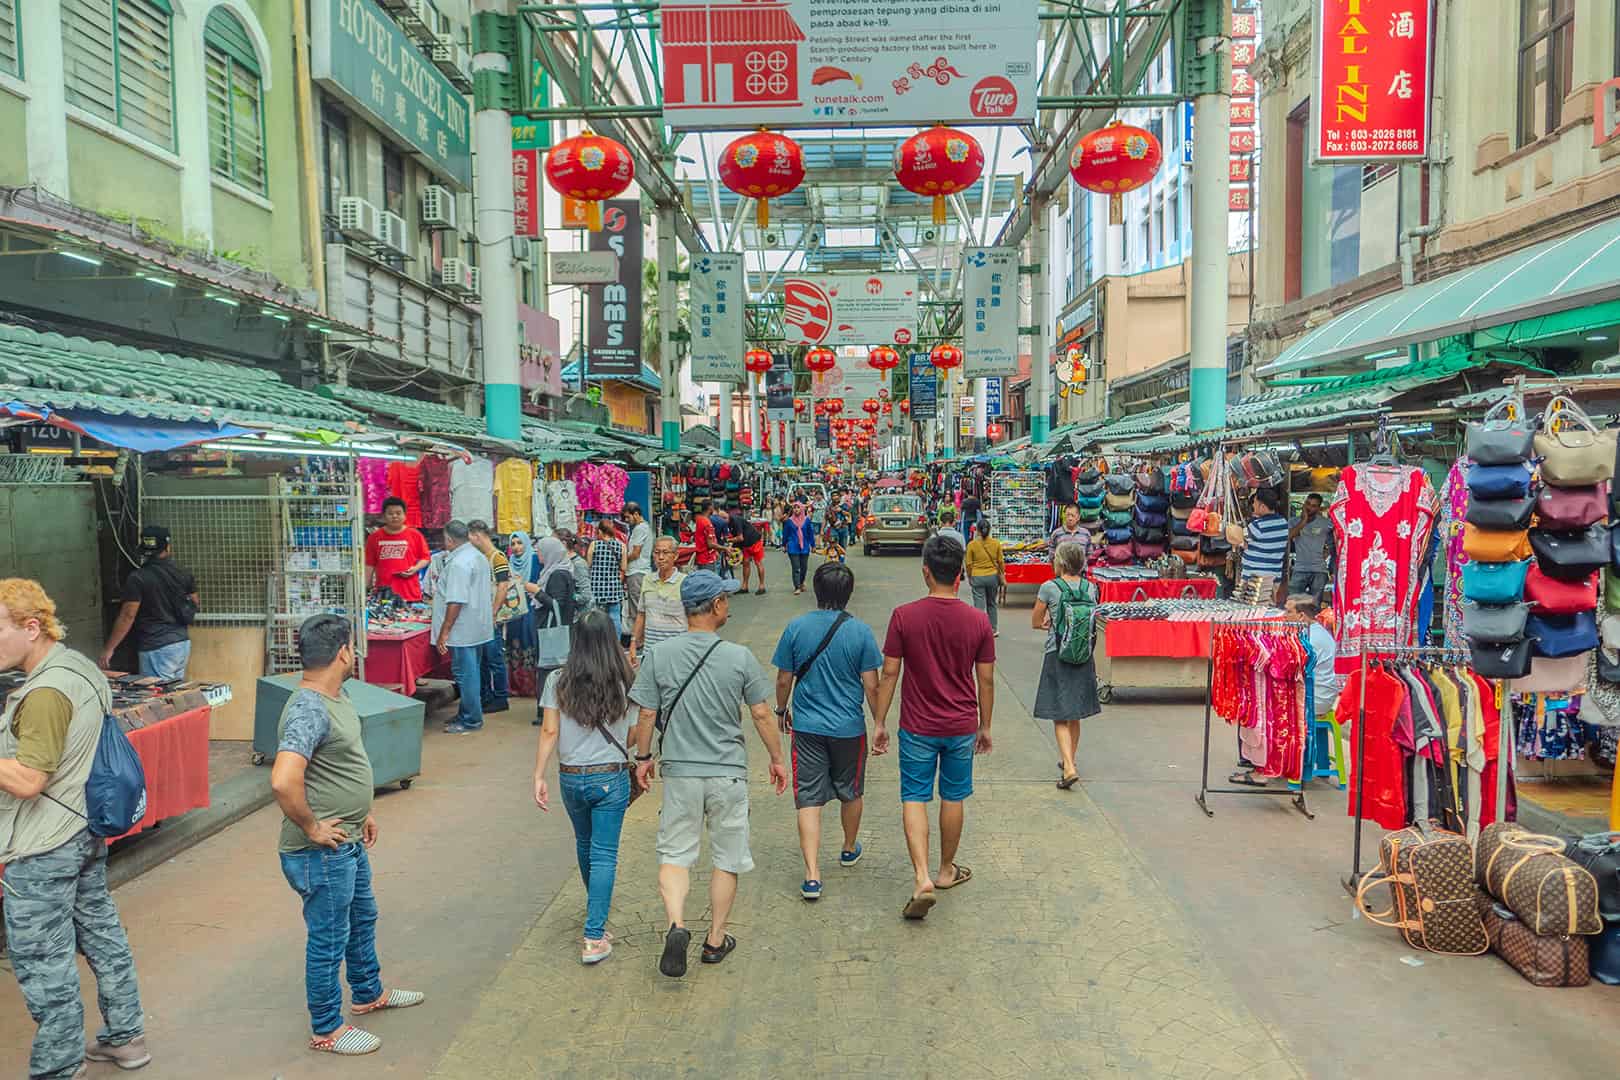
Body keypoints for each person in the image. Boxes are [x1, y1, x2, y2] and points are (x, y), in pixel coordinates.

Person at [0, 579, 150, 1078]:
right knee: (100, 932)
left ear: (30, 627)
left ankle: (58, 1066)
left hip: (45, 844)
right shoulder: (79, 665)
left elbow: (27, 780)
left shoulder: (44, 692)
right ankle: (126, 1037)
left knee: (44, 961)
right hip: (85, 829)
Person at [271, 614, 423, 1056]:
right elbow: (283, 780)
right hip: (321, 852)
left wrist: (364, 810)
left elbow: (343, 762)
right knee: (329, 937)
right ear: (342, 653)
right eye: (352, 648)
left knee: (362, 919)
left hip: (348, 840)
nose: (354, 655)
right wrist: (313, 827)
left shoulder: (336, 697)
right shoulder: (308, 708)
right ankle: (327, 1029)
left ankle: (368, 993)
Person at [628, 570, 788, 978]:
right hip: (727, 774)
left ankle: (677, 924)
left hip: (680, 773)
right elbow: (761, 713)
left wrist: (644, 758)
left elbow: (647, 712)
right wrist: (776, 758)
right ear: (716, 606)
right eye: (726, 600)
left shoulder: (659, 656)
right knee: (727, 857)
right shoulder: (739, 657)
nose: (728, 606)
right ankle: (715, 939)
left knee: (675, 854)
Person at [872, 537, 995, 921]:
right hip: (960, 725)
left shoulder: (904, 616)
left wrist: (879, 721)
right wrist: (985, 725)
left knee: (914, 796)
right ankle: (946, 870)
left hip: (917, 725)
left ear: (926, 571)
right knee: (953, 796)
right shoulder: (978, 620)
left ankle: (921, 876)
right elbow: (986, 680)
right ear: (960, 574)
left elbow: (889, 673)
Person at [771, 562, 882, 901]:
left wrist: (781, 709)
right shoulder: (861, 631)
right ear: (848, 593)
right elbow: (872, 685)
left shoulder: (795, 627)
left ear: (816, 590)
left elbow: (783, 678)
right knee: (851, 790)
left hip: (806, 727)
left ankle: (812, 875)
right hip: (849, 728)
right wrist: (879, 722)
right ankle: (848, 848)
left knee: (808, 797)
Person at [532, 610, 636, 965]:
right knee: (605, 853)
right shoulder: (624, 680)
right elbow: (634, 733)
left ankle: (597, 917)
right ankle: (593, 936)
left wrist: (539, 775)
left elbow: (549, 731)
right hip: (610, 775)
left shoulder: (558, 680)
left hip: (571, 776)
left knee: (584, 844)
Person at [1230, 594, 1342, 788]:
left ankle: (1264, 770)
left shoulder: (1310, 637)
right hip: (1316, 693)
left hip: (1315, 698)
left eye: (1288, 611)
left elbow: (1287, 672)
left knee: (1262, 709)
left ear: (1301, 616)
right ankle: (1263, 762)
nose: (1283, 616)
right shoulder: (1312, 632)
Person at [1030, 542, 1102, 789]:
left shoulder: (1050, 587)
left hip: (1057, 653)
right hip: (1083, 654)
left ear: (1059, 562)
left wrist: (1047, 623)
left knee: (1059, 713)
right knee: (1075, 712)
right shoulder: (1090, 588)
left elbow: (1035, 620)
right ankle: (1070, 758)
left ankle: (1068, 766)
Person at [99, 525, 198, 680]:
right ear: (168, 547)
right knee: (174, 696)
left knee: (156, 696)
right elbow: (194, 603)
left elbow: (127, 615)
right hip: (181, 644)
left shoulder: (138, 578)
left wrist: (109, 648)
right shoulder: (184, 573)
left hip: (156, 647)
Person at [428, 520, 493, 735]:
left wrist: (445, 631)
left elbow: (456, 600)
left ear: (449, 539)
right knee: (470, 672)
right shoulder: (478, 557)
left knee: (466, 674)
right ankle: (466, 713)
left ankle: (471, 719)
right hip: (477, 626)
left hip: (463, 629)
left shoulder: (459, 563)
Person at [524, 537, 578, 726]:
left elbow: (557, 604)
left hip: (551, 630)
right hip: (557, 628)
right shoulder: (561, 571)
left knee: (548, 670)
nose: (537, 554)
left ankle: (545, 712)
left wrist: (536, 591)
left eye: (540, 551)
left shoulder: (557, 575)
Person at [467, 521, 512, 715]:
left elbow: (503, 586)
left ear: (477, 535)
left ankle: (501, 697)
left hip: (491, 617)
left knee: (494, 658)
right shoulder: (482, 557)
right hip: (482, 616)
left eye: (470, 537)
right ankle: (487, 696)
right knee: (484, 658)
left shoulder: (497, 557)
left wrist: (493, 612)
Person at [629, 536, 687, 666]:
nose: (660, 557)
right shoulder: (647, 580)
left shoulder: (685, 582)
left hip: (677, 654)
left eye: (665, 553)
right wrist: (633, 643)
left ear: (675, 556)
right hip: (650, 653)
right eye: (656, 553)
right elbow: (641, 614)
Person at [362, 497, 430, 602]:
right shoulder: (374, 537)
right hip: (384, 593)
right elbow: (369, 564)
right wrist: (367, 586)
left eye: (398, 513)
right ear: (384, 516)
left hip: (410, 593)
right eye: (390, 513)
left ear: (404, 515)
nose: (394, 516)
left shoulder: (415, 534)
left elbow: (425, 558)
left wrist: (415, 568)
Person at [504, 530, 543, 698]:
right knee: (514, 642)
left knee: (530, 641)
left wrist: (525, 584)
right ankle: (515, 686)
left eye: (519, 543)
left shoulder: (535, 560)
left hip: (531, 607)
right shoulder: (510, 562)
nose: (516, 547)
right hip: (514, 609)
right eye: (513, 544)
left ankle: (531, 686)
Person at [1236, 488, 1290, 585]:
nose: (1253, 505)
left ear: (1263, 506)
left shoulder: (1257, 526)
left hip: (1255, 579)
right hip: (1274, 576)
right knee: (1270, 600)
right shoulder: (1283, 522)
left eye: (1255, 503)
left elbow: (1240, 539)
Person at [964, 519, 1008, 636]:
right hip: (992, 576)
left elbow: (968, 564)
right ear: (989, 530)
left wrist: (969, 576)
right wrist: (1002, 574)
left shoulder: (972, 545)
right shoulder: (996, 543)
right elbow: (1000, 561)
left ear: (977, 531)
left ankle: (979, 630)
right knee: (991, 603)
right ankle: (993, 629)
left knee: (979, 605)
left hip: (977, 576)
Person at [1288, 493, 1334, 601]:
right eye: (1308, 504)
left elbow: (1334, 542)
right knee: (1294, 605)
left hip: (1319, 571)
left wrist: (1327, 554)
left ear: (1318, 508)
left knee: (1314, 607)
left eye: (1313, 506)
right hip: (1299, 569)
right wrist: (1303, 521)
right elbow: (1290, 536)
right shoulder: (1294, 522)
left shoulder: (1325, 523)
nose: (1309, 507)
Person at [588, 520, 628, 637]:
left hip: (597, 587)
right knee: (615, 616)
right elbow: (624, 567)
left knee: (597, 617)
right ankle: (616, 643)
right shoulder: (622, 546)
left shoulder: (594, 545)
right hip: (614, 586)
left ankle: (599, 643)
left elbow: (588, 564)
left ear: (600, 531)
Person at [623, 503, 654, 645]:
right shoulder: (643, 527)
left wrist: (621, 560)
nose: (626, 520)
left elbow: (635, 553)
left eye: (628, 517)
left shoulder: (640, 529)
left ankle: (639, 640)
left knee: (636, 609)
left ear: (636, 514)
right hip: (640, 572)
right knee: (639, 607)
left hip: (637, 572)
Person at [729, 505, 768, 595]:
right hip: (746, 544)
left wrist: (729, 541)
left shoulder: (735, 521)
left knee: (758, 563)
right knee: (746, 563)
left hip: (754, 541)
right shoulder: (730, 523)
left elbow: (740, 538)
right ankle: (745, 586)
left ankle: (762, 586)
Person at [784, 501, 816, 596]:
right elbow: (785, 534)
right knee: (796, 567)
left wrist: (813, 545)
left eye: (798, 508)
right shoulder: (789, 521)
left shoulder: (807, 520)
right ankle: (797, 586)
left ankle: (801, 583)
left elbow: (810, 534)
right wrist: (784, 545)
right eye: (794, 508)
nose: (796, 510)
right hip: (793, 547)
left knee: (804, 567)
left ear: (802, 509)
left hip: (804, 547)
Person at [692, 499, 721, 573]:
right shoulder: (707, 523)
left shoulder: (699, 519)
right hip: (707, 558)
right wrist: (725, 548)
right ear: (710, 507)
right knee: (710, 582)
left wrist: (716, 551)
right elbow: (710, 544)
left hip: (702, 557)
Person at [709, 504, 736, 579]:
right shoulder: (722, 522)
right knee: (718, 564)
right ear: (718, 510)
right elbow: (726, 537)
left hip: (708, 545)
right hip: (719, 546)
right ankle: (717, 581)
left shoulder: (707, 519)